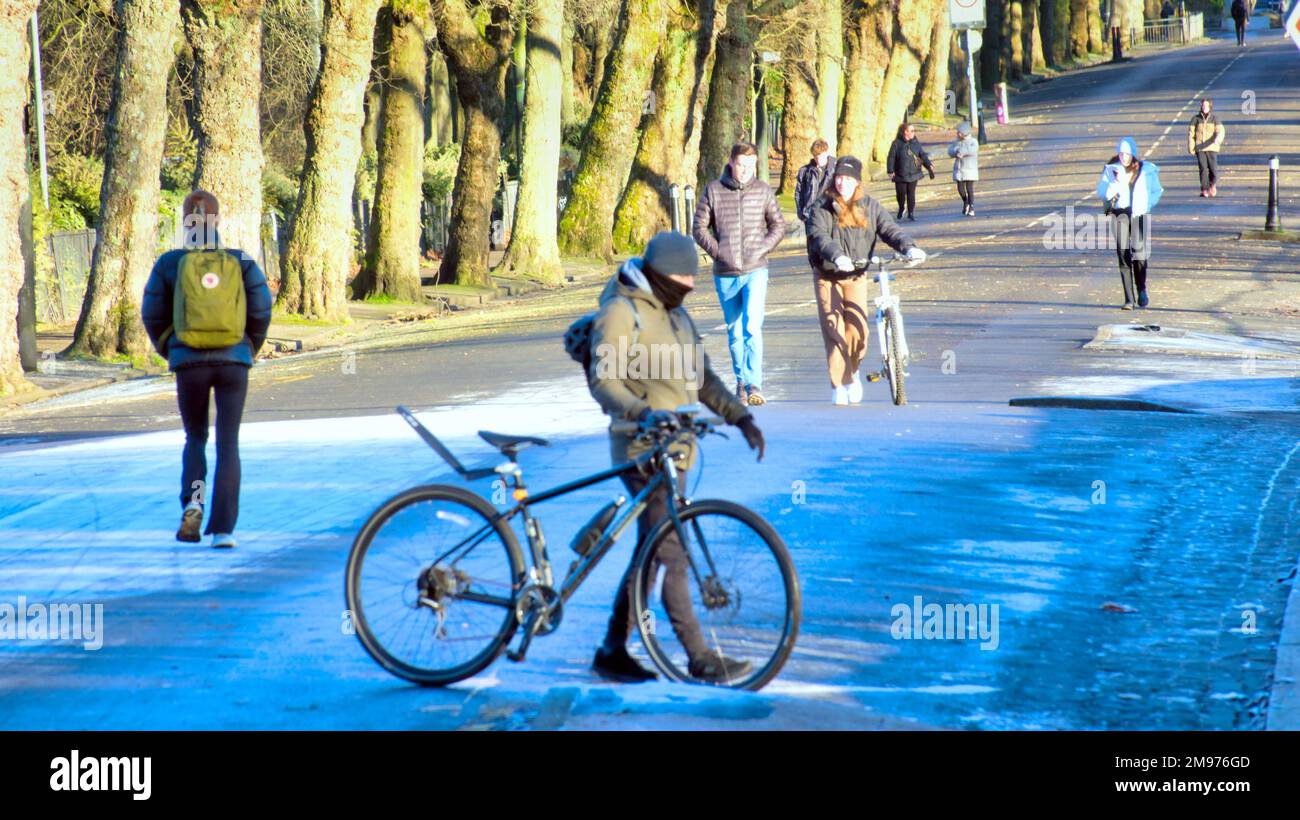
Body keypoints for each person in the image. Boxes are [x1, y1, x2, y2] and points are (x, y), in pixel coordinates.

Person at [585, 231, 766, 683]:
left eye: (692, 279)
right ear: (659, 274)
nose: (688, 285)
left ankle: (612, 649)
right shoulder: (621, 312)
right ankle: (700, 657)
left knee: (650, 554)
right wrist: (641, 412)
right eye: (681, 278)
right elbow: (603, 380)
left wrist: (740, 418)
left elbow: (702, 378)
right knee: (674, 554)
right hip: (639, 448)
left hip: (678, 452)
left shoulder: (678, 315)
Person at [142, 191, 272, 549]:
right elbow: (261, 309)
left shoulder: (169, 264)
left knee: (196, 437)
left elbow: (152, 314)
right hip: (234, 364)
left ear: (186, 223)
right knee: (228, 443)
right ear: (217, 222)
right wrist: (247, 348)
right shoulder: (241, 262)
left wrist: (172, 348)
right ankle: (224, 530)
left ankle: (195, 501)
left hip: (189, 365)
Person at [806, 156, 926, 406]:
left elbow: (890, 229)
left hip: (856, 274)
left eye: (848, 178)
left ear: (857, 181)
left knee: (858, 334)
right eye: (839, 177)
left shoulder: (870, 206)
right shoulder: (822, 206)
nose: (842, 183)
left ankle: (853, 372)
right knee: (834, 330)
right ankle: (839, 384)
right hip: (828, 275)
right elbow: (818, 236)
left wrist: (908, 248)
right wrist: (837, 256)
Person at [692, 141, 786, 406]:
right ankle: (741, 382)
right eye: (741, 165)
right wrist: (718, 251)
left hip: (756, 270)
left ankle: (754, 383)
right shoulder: (713, 190)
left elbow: (779, 225)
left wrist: (762, 248)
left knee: (752, 328)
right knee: (734, 332)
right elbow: (698, 228)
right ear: (731, 163)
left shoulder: (763, 191)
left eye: (750, 165)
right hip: (725, 273)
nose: (745, 170)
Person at [1097, 138, 1163, 310]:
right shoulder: (1111, 169)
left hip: (1139, 215)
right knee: (1123, 256)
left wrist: (1148, 205)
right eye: (1121, 153)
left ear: (1133, 154)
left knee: (1140, 255)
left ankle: (1141, 289)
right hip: (1119, 214)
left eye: (1127, 153)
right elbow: (1102, 193)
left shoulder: (1145, 169)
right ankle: (1129, 299)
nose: (1124, 157)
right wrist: (1114, 182)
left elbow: (1157, 190)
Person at [886, 122, 935, 222]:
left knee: (911, 193)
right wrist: (890, 170)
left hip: (914, 172)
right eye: (912, 131)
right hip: (900, 173)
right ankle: (901, 207)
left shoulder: (916, 143)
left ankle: (911, 213)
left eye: (914, 131)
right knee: (900, 193)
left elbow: (922, 155)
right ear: (905, 132)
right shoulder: (896, 143)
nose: (914, 133)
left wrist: (929, 165)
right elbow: (891, 157)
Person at [1187, 97, 1225, 197]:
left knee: (1213, 169)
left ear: (1210, 107)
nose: (1204, 107)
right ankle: (1204, 189)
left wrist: (1217, 141)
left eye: (1206, 105)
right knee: (1203, 169)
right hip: (1200, 147)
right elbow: (1191, 135)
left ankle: (1212, 186)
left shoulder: (1214, 119)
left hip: (1212, 147)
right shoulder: (1195, 119)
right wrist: (1191, 147)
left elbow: (1220, 131)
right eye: (1203, 105)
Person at [794, 138, 836, 225]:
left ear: (826, 153)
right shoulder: (805, 171)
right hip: (810, 216)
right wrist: (801, 213)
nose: (818, 160)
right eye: (815, 157)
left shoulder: (836, 170)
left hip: (830, 217)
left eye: (820, 157)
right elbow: (799, 193)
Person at [947, 122, 980, 217]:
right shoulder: (956, 141)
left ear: (965, 132)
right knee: (960, 188)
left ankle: (972, 207)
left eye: (959, 132)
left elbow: (972, 150)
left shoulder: (973, 141)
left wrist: (962, 152)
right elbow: (950, 150)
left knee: (969, 188)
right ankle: (966, 202)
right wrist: (955, 152)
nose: (958, 134)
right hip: (959, 168)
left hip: (970, 168)